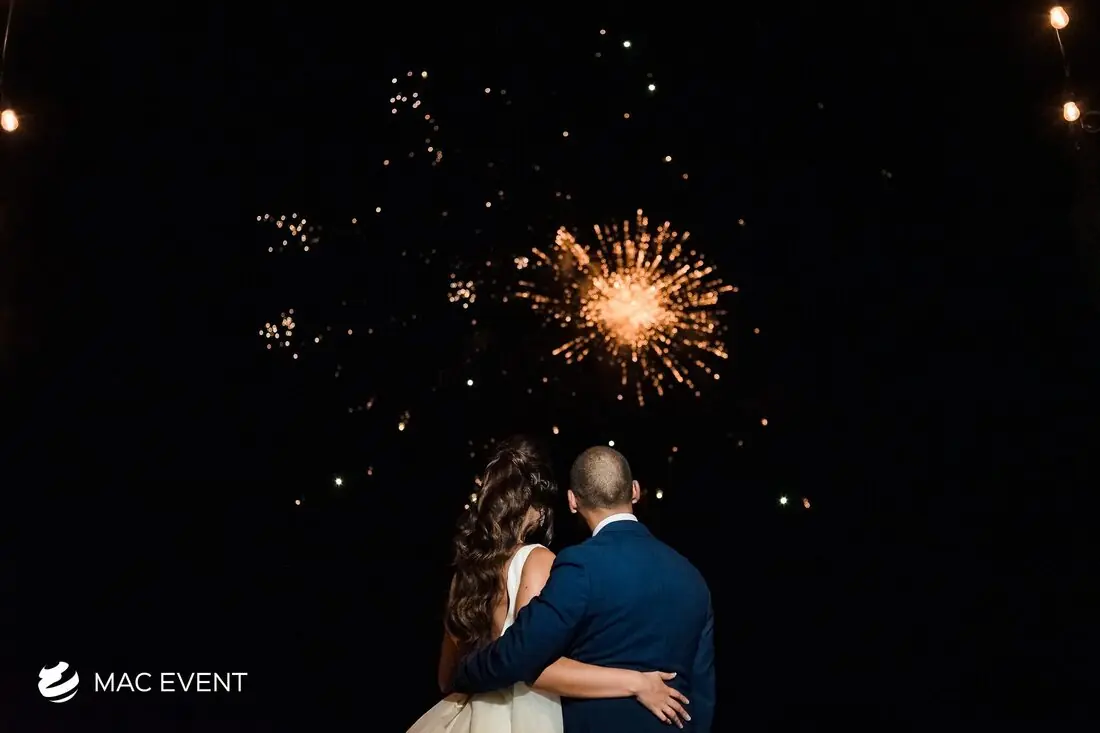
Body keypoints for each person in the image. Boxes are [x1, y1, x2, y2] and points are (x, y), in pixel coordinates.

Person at [407, 437, 689, 733]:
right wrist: (637, 682)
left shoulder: (464, 575)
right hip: (520, 719)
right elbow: (534, 666)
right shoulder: (537, 560)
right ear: (539, 509)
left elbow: (446, 678)